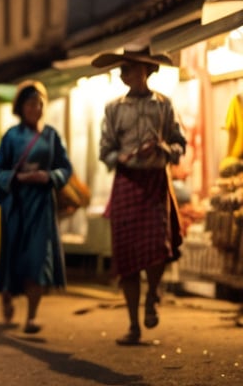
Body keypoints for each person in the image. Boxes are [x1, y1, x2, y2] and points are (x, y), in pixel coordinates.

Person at [92, 46, 186, 346]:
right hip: (127, 182)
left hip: (155, 181)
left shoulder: (164, 105)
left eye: (129, 69)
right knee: (127, 256)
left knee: (159, 244)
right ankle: (133, 325)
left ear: (146, 70)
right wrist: (124, 157)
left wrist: (164, 150)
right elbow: (105, 150)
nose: (123, 74)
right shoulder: (113, 108)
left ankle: (153, 293)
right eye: (122, 70)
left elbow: (179, 143)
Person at [0, 80, 71, 335]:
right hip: (15, 206)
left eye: (39, 103)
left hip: (42, 207)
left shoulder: (51, 136)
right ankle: (7, 296)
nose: (35, 107)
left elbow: (66, 169)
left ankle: (32, 317)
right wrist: (18, 178)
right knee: (13, 257)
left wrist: (49, 177)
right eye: (30, 103)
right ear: (21, 107)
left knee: (38, 259)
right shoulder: (11, 136)